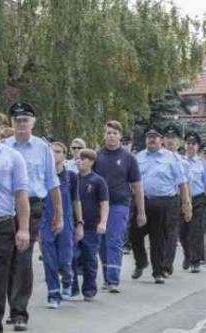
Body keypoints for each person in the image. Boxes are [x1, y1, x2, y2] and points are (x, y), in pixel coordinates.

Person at [5, 102, 62, 331]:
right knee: (3, 260)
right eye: (17, 120)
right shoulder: (3, 147)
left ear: (33, 123)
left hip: (33, 207)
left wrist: (59, 215)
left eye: (25, 120)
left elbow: (52, 183)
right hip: (5, 209)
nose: (21, 124)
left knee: (22, 258)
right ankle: (8, 307)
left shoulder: (42, 148)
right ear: (12, 123)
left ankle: (19, 313)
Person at [0, 110, 30, 333]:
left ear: (2, 129)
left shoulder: (13, 158)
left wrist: (24, 230)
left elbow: (21, 196)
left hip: (0, 227)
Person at [94, 120, 145, 293]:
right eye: (108, 133)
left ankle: (114, 280)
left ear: (120, 136)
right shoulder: (97, 156)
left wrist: (141, 212)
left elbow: (137, 186)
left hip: (119, 205)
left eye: (115, 133)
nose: (111, 136)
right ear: (104, 135)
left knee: (114, 240)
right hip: (98, 206)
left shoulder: (128, 158)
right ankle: (108, 276)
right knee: (101, 243)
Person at [133, 126, 188, 283]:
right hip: (141, 201)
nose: (151, 139)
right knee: (134, 235)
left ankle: (157, 272)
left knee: (158, 239)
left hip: (164, 202)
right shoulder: (138, 157)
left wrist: (186, 204)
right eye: (149, 136)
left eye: (155, 137)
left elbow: (182, 182)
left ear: (161, 140)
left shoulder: (171, 158)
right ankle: (141, 262)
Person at [41, 142, 82, 309]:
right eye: (51, 152)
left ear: (64, 156)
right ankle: (53, 294)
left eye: (58, 152)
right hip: (46, 222)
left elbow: (76, 200)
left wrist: (80, 222)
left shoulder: (71, 176)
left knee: (65, 259)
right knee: (49, 261)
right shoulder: (42, 175)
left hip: (66, 223)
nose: (54, 155)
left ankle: (67, 280)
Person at [72, 149, 109, 301]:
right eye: (79, 158)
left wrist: (103, 222)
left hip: (91, 226)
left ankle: (89, 289)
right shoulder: (73, 179)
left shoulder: (98, 181)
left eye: (84, 159)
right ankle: (71, 288)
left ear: (91, 162)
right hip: (73, 225)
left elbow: (104, 203)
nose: (80, 161)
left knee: (89, 258)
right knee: (71, 257)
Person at [160, 124, 191, 276]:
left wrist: (187, 204)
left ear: (178, 142)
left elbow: (186, 185)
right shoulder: (156, 158)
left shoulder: (183, 162)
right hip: (158, 200)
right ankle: (160, 262)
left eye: (173, 138)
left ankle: (166, 265)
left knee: (172, 234)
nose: (170, 141)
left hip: (174, 199)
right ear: (163, 141)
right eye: (167, 138)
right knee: (159, 233)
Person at [181, 132, 206, 273]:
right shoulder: (179, 161)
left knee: (196, 231)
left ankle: (195, 262)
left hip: (198, 199)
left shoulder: (203, 164)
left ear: (198, 146)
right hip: (182, 199)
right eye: (188, 143)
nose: (190, 146)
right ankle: (188, 254)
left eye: (193, 144)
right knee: (182, 232)